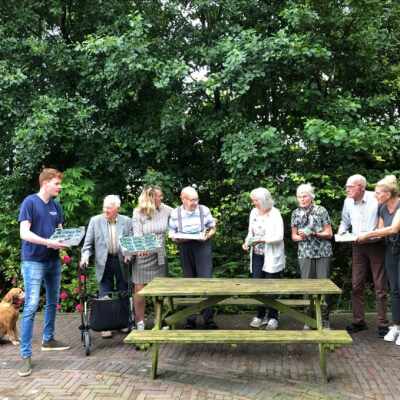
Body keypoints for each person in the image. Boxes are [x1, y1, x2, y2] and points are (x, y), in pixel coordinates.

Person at [18, 168, 70, 377]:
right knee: (31, 306)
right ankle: (25, 355)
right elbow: (24, 233)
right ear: (45, 183)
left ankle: (48, 339)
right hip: (33, 262)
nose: (60, 187)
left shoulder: (57, 206)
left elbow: (59, 231)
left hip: (52, 261)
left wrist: (65, 241)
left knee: (52, 301)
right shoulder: (29, 202)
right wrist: (48, 242)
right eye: (57, 183)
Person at [338, 174, 388, 336]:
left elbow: (385, 221)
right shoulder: (347, 202)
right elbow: (345, 221)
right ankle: (358, 321)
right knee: (356, 285)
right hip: (357, 246)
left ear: (360, 186)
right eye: (347, 187)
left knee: (380, 286)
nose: (347, 190)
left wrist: (375, 235)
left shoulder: (375, 198)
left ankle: (382, 324)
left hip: (376, 246)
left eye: (350, 187)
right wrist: (341, 232)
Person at [80, 195, 132, 338]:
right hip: (103, 261)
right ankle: (105, 326)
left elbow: (131, 241)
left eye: (108, 208)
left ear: (117, 208)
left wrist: (129, 254)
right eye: (104, 207)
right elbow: (88, 245)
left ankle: (123, 323)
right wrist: (85, 257)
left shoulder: (127, 221)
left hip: (121, 260)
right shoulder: (95, 221)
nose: (105, 210)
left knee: (123, 291)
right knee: (104, 292)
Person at [357, 175, 400, 345]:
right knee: (395, 290)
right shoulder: (382, 208)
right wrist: (357, 237)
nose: (375, 196)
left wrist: (367, 234)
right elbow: (381, 231)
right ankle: (396, 326)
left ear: (388, 194)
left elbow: (394, 229)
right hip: (391, 251)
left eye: (378, 193)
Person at [169, 186, 217, 329]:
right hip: (185, 247)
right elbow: (171, 233)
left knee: (206, 281)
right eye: (191, 200)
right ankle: (190, 319)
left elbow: (212, 227)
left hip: (202, 246)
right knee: (189, 282)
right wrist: (176, 239)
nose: (195, 202)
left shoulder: (204, 210)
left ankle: (208, 319)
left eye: (196, 199)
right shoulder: (175, 213)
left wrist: (207, 235)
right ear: (183, 199)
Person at [291, 183, 333, 329]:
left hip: (323, 252)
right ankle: (308, 320)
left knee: (324, 286)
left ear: (311, 197)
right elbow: (293, 236)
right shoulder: (295, 213)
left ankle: (325, 320)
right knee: (306, 286)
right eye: (299, 197)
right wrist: (301, 236)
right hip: (305, 252)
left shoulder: (321, 210)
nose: (302, 199)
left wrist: (314, 233)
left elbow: (329, 233)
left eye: (305, 196)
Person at [242, 188, 285, 330]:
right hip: (257, 255)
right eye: (253, 200)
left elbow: (279, 236)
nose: (253, 203)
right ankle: (259, 315)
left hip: (271, 255)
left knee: (271, 287)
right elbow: (250, 232)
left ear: (264, 200)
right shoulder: (254, 212)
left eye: (255, 200)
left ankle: (273, 317)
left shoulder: (275, 213)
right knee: (258, 286)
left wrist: (262, 239)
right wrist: (246, 243)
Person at [132, 186, 172, 330]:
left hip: (159, 256)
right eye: (159, 196)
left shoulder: (166, 210)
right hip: (143, 255)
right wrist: (141, 248)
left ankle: (159, 321)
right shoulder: (138, 212)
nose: (161, 198)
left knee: (160, 290)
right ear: (150, 198)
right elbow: (137, 234)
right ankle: (140, 323)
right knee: (139, 289)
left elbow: (180, 219)